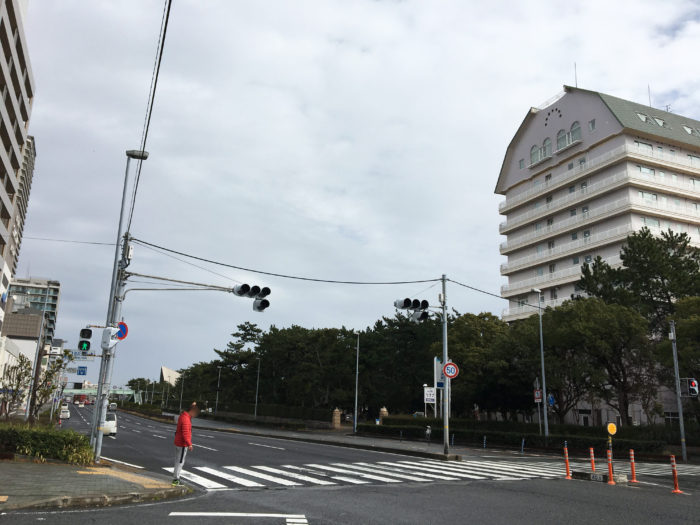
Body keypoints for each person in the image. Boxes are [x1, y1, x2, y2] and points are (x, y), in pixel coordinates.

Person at [172, 401, 200, 486]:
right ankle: (176, 480)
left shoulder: (183, 416)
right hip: (182, 444)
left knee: (177, 461)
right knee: (180, 462)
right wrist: (189, 444)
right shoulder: (186, 419)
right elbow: (185, 433)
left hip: (178, 442)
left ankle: (175, 479)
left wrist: (193, 405)